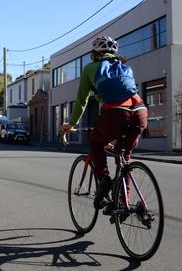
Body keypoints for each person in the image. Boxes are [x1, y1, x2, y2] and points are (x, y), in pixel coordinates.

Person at [60, 35, 148, 210]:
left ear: (95, 54)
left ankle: (104, 180)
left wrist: (70, 124)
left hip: (115, 114)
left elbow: (81, 101)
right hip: (140, 111)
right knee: (124, 158)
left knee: (95, 142)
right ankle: (124, 203)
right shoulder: (125, 68)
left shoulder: (90, 68)